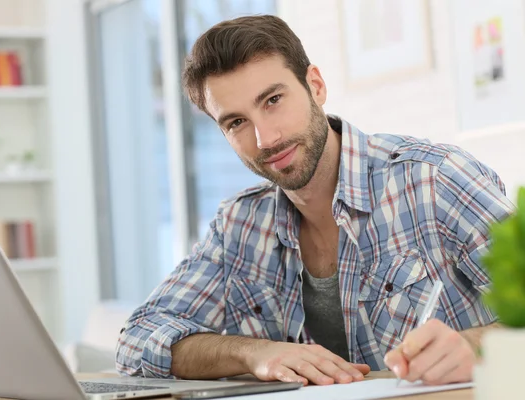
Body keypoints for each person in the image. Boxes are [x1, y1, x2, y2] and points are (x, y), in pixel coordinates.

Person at [116, 15, 513, 386]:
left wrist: (479, 349)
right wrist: (253, 354)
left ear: (316, 87)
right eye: (236, 122)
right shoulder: (239, 225)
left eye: (273, 100)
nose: (265, 139)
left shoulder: (434, 180)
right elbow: (138, 338)